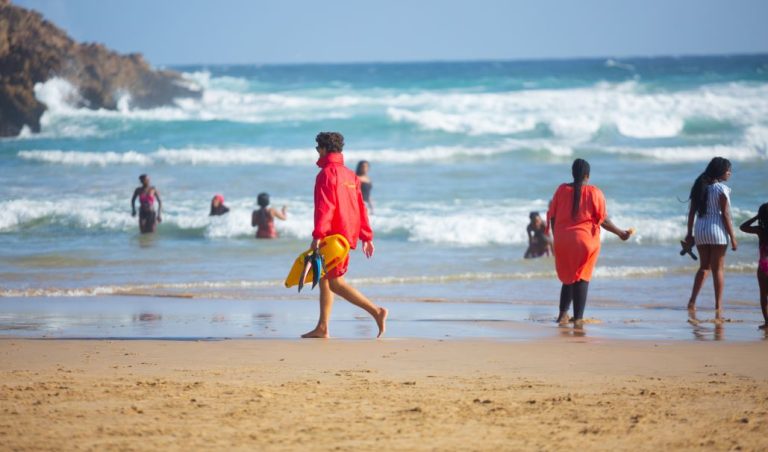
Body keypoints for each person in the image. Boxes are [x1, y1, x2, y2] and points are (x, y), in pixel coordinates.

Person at [301, 132, 388, 339]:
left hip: (332, 235)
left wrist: (318, 235)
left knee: (336, 283)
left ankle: (376, 312)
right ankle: (322, 327)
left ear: (323, 149)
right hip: (346, 233)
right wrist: (366, 236)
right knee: (324, 277)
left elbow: (326, 207)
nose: (317, 152)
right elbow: (360, 207)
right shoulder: (351, 175)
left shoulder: (326, 174)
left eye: (317, 149)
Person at [548, 159, 632, 327]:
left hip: (563, 241)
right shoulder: (594, 192)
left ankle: (562, 315)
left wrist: (557, 238)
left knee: (569, 277)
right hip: (586, 241)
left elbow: (552, 216)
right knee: (582, 277)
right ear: (587, 175)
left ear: (572, 173)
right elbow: (604, 220)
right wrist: (620, 233)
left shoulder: (561, 190)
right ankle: (578, 318)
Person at [684, 157, 737, 315]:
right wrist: (733, 238)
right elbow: (725, 215)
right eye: (728, 170)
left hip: (700, 230)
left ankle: (692, 302)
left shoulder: (699, 187)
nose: (730, 173)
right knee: (718, 269)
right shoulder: (721, 189)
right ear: (720, 172)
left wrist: (689, 234)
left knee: (703, 267)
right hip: (717, 231)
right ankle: (718, 306)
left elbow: (691, 213)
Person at [739, 202, 768, 329]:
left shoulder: (760, 230)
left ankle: (767, 323)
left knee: (763, 294)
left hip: (764, 265)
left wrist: (757, 217)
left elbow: (743, 227)